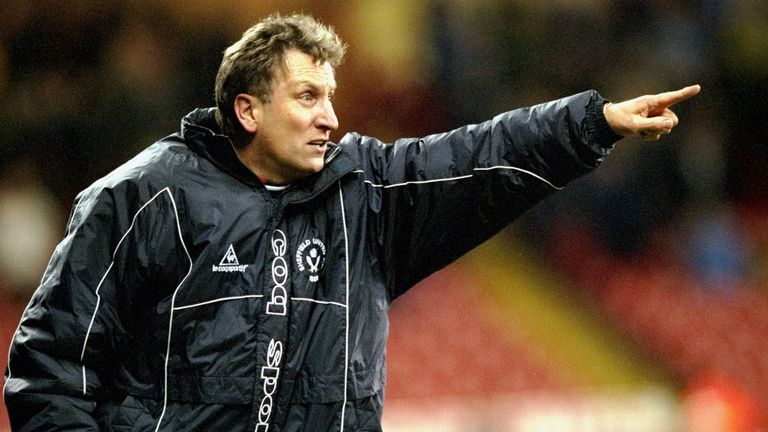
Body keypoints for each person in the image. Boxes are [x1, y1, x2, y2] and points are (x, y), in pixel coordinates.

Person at [3, 12, 700, 432]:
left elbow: (479, 154)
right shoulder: (143, 198)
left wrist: (591, 123)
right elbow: (50, 365)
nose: (331, 117)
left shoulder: (362, 195)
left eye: (330, 96)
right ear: (247, 110)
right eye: (308, 96)